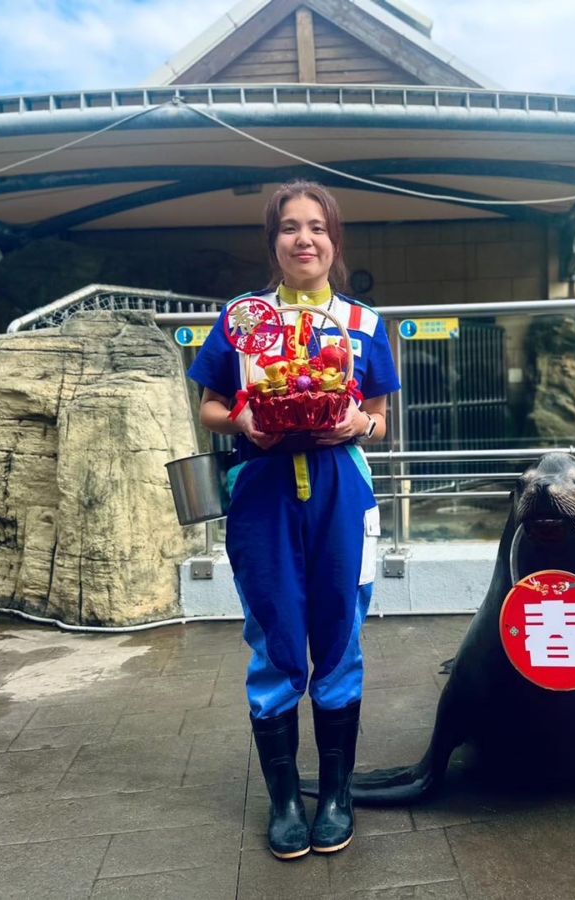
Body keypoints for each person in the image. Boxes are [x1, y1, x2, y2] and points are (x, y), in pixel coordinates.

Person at [186, 180, 399, 859]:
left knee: (340, 636)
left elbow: (382, 419)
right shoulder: (243, 318)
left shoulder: (363, 322)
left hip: (342, 494)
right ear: (273, 240)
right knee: (275, 640)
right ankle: (283, 801)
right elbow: (210, 405)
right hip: (263, 493)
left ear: (334, 240)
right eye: (289, 227)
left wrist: (358, 424)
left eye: (317, 226)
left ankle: (334, 795)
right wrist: (244, 417)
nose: (303, 238)